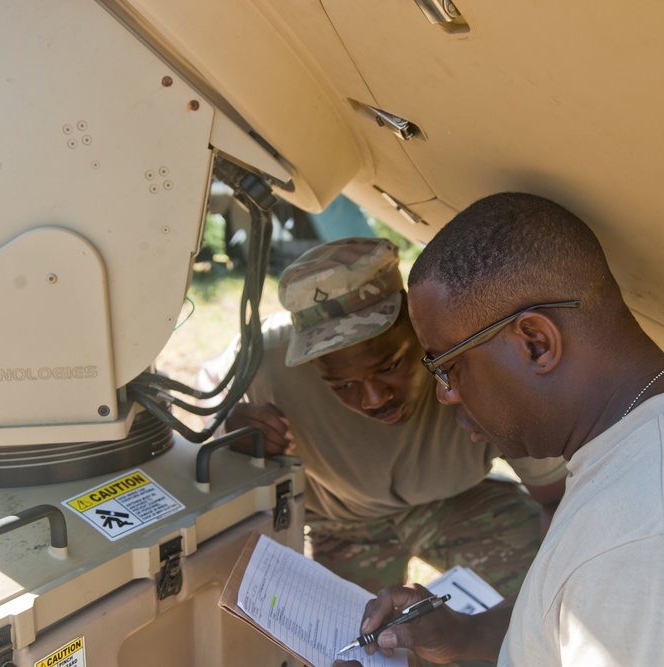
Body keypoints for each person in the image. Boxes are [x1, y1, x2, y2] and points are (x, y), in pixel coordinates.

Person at [337, 193, 664, 666]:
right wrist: (467, 635)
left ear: (535, 342)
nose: (445, 393)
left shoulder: (653, 550)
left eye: (448, 366)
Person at [197, 236, 567, 596]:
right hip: (343, 524)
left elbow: (558, 500)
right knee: (347, 643)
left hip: (457, 502)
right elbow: (209, 387)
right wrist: (229, 425)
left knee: (546, 597)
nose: (374, 399)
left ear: (417, 323)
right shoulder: (271, 359)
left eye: (389, 366)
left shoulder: (478, 359)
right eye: (342, 385)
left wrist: (539, 598)